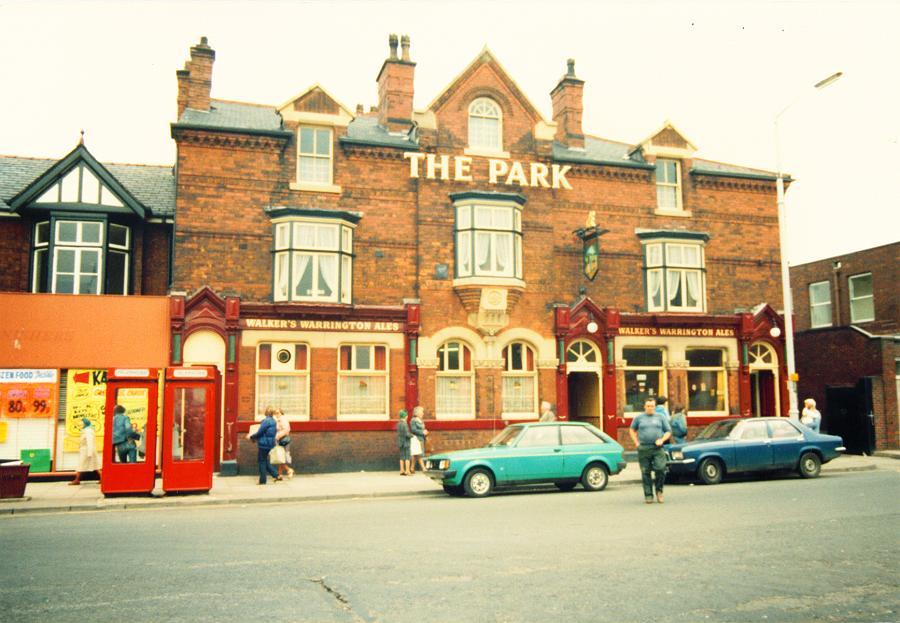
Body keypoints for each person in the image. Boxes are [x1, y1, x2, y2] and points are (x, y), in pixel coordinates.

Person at [629, 398, 671, 504]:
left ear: (655, 407)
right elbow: (632, 430)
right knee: (645, 471)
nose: (650, 408)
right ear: (644, 406)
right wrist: (636, 443)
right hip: (644, 448)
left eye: (652, 406)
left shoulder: (660, 417)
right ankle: (648, 495)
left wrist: (662, 439)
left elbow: (668, 431)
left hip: (657, 448)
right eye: (648, 406)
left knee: (661, 469)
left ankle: (659, 491)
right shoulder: (639, 418)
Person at [248, 406, 280, 484]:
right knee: (264, 460)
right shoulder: (273, 421)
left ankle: (262, 481)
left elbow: (260, 432)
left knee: (261, 461)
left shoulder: (266, 421)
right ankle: (276, 475)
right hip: (270, 443)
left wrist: (252, 436)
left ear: (266, 412)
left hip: (264, 444)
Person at [70, 418, 101, 485]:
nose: (80, 424)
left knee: (81, 465)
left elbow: (90, 441)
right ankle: (102, 479)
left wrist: (89, 453)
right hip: (88, 450)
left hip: (87, 451)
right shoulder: (87, 430)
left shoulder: (88, 431)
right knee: (96, 465)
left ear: (85, 423)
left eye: (81, 423)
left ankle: (77, 480)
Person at [274, 407, 294, 480]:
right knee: (281, 457)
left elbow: (286, 429)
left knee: (281, 458)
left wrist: (278, 436)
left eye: (278, 413)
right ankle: (280, 475)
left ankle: (289, 470)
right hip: (281, 440)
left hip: (283, 441)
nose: (276, 414)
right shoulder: (278, 420)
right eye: (275, 413)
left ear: (281, 413)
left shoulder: (283, 419)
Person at [409, 406, 429, 474]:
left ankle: (411, 468)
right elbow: (413, 430)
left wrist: (425, 431)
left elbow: (421, 429)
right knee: (419, 454)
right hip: (416, 439)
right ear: (418, 413)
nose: (423, 413)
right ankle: (423, 468)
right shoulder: (413, 420)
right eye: (422, 412)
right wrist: (422, 432)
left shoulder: (421, 420)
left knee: (416, 454)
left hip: (421, 439)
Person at [396, 408, 412, 475]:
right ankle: (407, 471)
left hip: (400, 442)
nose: (407, 417)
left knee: (402, 457)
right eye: (407, 415)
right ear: (405, 416)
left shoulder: (399, 423)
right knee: (407, 456)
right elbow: (406, 434)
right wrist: (412, 435)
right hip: (406, 442)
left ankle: (402, 470)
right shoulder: (404, 424)